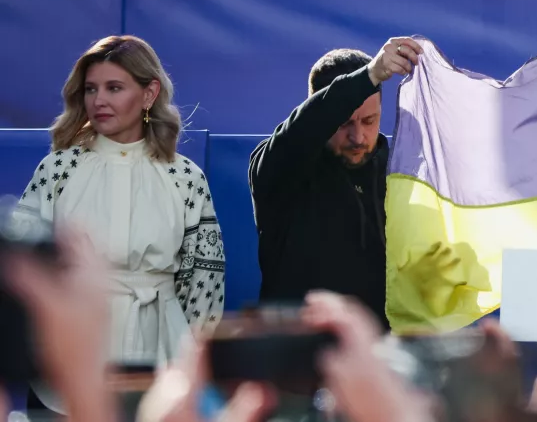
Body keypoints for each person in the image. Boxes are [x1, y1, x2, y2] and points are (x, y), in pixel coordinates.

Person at [11, 35, 225, 416]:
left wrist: (195, 361)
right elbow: (24, 271)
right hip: (72, 358)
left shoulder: (185, 178)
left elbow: (204, 283)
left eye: (114, 88)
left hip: (164, 360)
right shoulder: (58, 169)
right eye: (91, 89)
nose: (99, 100)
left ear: (149, 94)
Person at [248, 37, 423, 329]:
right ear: (321, 112)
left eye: (369, 121)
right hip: (297, 350)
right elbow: (301, 131)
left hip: (378, 350)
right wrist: (369, 76)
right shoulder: (278, 166)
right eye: (344, 123)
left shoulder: (397, 171)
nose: (358, 137)